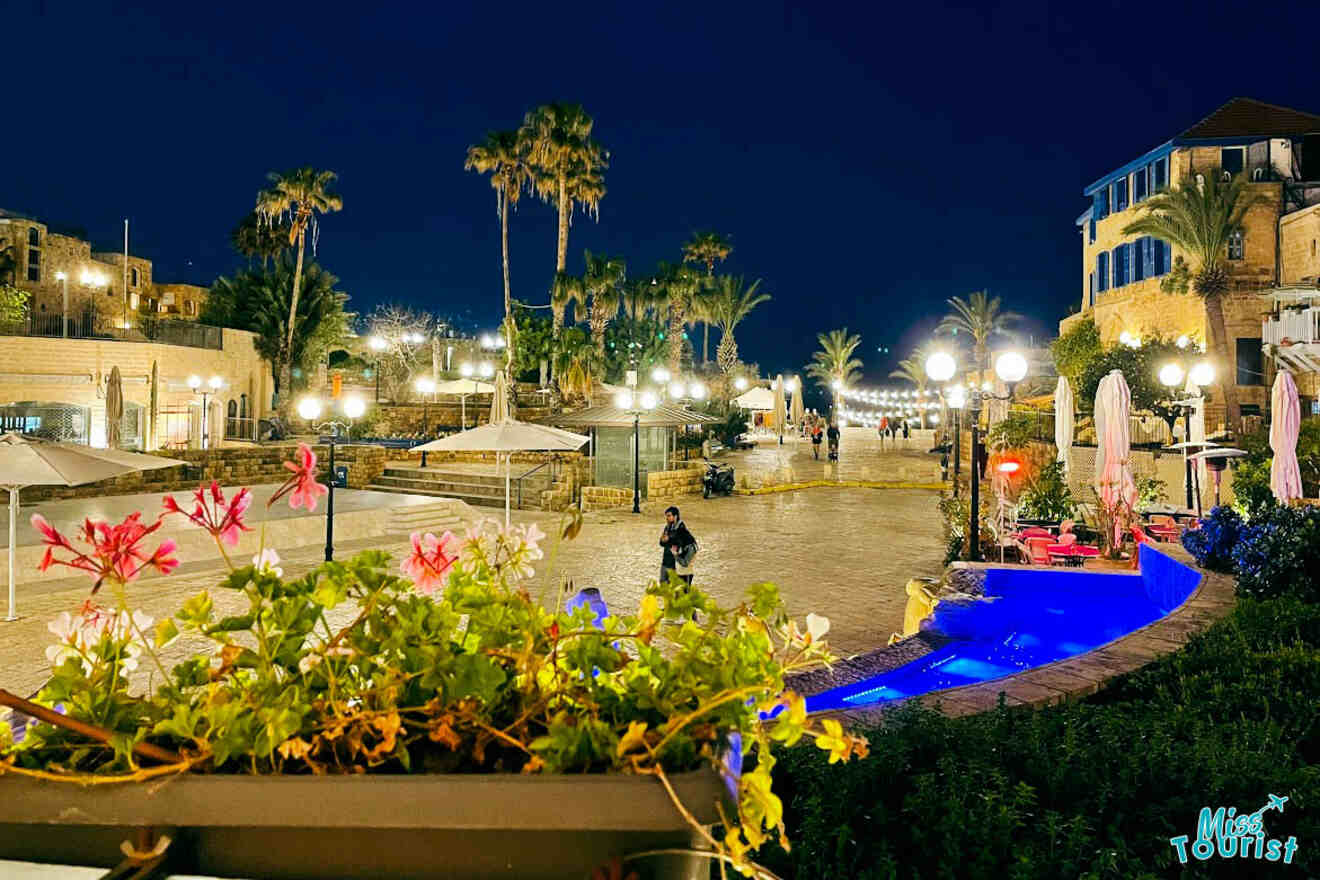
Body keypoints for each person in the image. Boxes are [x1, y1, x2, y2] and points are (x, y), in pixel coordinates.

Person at [658, 505, 697, 587]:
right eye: (666, 516)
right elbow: (662, 543)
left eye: (669, 516)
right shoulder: (667, 527)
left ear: (675, 516)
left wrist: (668, 540)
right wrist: (663, 540)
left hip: (675, 564)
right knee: (663, 583)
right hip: (666, 561)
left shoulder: (681, 529)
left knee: (675, 588)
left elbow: (678, 543)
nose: (667, 518)